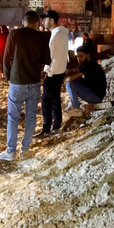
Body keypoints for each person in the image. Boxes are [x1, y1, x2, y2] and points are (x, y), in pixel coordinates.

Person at [0, 11, 51, 161]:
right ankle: (25, 150)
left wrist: (8, 76)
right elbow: (47, 59)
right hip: (34, 82)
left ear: (23, 21)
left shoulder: (14, 34)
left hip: (17, 82)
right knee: (31, 117)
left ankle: (11, 151)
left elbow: (6, 56)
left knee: (13, 118)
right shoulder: (41, 36)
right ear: (38, 23)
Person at [35, 10, 69, 138]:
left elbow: (53, 57)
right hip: (58, 71)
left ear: (51, 20)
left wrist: (48, 73)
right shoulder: (60, 33)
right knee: (54, 98)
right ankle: (56, 124)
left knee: (46, 100)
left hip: (54, 72)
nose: (43, 22)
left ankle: (47, 127)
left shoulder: (57, 35)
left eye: (45, 19)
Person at [64, 45, 107, 117]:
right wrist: (71, 71)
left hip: (95, 97)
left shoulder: (89, 66)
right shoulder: (86, 64)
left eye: (81, 56)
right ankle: (73, 104)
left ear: (88, 55)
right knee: (75, 80)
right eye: (77, 56)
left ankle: (76, 110)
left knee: (69, 84)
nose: (79, 59)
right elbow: (75, 71)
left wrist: (65, 77)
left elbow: (69, 79)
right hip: (94, 94)